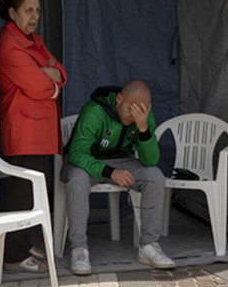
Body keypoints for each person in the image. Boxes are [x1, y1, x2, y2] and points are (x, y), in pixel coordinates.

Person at [0, 0, 67, 273]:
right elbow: (41, 85)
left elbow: (60, 71)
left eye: (37, 10)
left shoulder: (31, 39)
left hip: (37, 129)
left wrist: (47, 72)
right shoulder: (8, 44)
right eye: (28, 10)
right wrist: (47, 75)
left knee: (30, 190)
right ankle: (12, 255)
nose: (34, 16)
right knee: (21, 192)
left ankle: (20, 244)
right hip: (25, 129)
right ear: (12, 13)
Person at [62, 80, 174, 274]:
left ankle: (148, 245)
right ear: (119, 99)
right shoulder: (95, 111)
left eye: (140, 111)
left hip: (121, 161)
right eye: (130, 109)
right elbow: (77, 154)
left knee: (154, 176)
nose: (133, 116)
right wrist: (109, 172)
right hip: (85, 162)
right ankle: (79, 248)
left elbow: (151, 160)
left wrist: (143, 129)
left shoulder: (143, 116)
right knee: (78, 179)